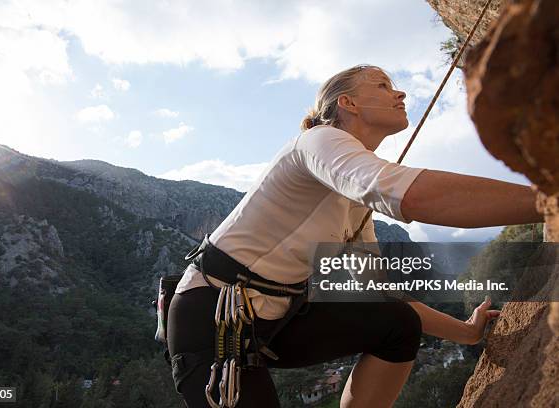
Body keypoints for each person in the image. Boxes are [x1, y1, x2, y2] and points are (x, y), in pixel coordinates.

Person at [167, 64, 542, 408]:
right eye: (382, 85)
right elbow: (409, 195)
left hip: (276, 318)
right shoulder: (318, 140)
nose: (401, 94)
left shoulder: (356, 206)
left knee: (395, 323)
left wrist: (467, 333)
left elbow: (381, 297)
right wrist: (547, 200)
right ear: (347, 103)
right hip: (212, 317)